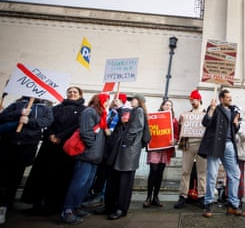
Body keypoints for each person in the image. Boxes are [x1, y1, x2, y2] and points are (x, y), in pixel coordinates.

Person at [21, 87, 86, 215]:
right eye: (69, 92)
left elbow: (77, 127)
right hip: (49, 146)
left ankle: (54, 206)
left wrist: (60, 137)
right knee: (41, 175)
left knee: (60, 178)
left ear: (80, 95)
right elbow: (48, 122)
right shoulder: (56, 108)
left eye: (75, 92)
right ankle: (37, 204)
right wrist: (50, 135)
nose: (72, 94)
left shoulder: (83, 111)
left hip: (65, 148)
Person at [0, 96, 53, 224]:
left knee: (16, 174)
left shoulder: (46, 108)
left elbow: (46, 122)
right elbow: (3, 117)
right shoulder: (17, 104)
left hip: (28, 144)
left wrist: (29, 121)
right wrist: (19, 114)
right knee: (3, 172)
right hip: (9, 142)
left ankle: (6, 204)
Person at [60, 92, 110, 225]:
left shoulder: (101, 115)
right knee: (79, 182)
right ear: (100, 101)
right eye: (106, 100)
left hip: (94, 156)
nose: (107, 103)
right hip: (87, 154)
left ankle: (76, 206)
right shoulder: (90, 112)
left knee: (86, 184)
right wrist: (92, 146)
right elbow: (86, 132)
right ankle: (68, 210)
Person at [198, 89, 245, 218]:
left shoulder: (233, 111)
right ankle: (208, 204)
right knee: (212, 174)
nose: (230, 99)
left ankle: (233, 204)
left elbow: (234, 129)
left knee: (235, 174)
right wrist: (211, 109)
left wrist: (236, 123)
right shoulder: (215, 108)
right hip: (215, 144)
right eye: (227, 97)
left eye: (231, 97)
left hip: (229, 145)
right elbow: (205, 123)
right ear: (221, 99)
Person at [106, 93, 150, 220]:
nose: (131, 101)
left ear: (139, 101)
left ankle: (121, 208)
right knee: (119, 178)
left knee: (125, 180)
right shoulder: (134, 111)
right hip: (126, 149)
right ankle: (114, 206)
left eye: (134, 99)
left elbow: (135, 128)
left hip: (129, 150)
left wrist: (127, 141)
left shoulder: (139, 111)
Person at [143, 99, 179, 208]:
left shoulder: (173, 120)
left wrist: (175, 140)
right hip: (155, 148)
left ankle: (156, 197)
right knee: (153, 170)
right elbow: (149, 130)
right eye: (166, 104)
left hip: (166, 150)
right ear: (162, 106)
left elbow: (177, 133)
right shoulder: (154, 116)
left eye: (170, 105)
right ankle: (148, 197)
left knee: (160, 172)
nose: (168, 106)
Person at [174, 89, 207, 209]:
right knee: (185, 171)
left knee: (202, 172)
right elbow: (181, 128)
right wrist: (181, 122)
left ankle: (202, 196)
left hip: (201, 145)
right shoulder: (187, 114)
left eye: (194, 99)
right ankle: (183, 195)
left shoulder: (205, 113)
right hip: (188, 145)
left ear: (199, 99)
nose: (192, 102)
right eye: (191, 100)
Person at [224, 106, 245, 206]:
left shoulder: (243, 124)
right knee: (229, 176)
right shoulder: (227, 124)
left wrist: (237, 126)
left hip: (240, 153)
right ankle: (229, 197)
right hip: (230, 153)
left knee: (240, 176)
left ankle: (239, 197)